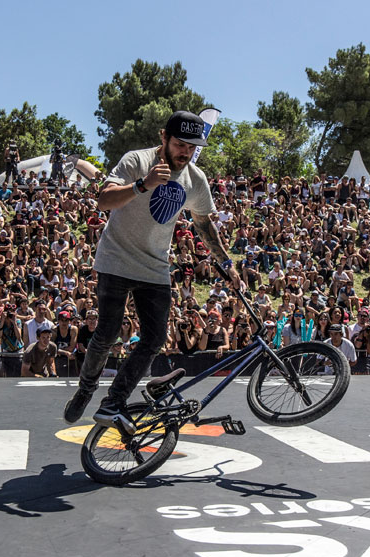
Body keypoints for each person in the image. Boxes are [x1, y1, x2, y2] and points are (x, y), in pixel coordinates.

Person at [64, 111, 240, 433]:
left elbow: (202, 224)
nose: (184, 152)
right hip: (116, 258)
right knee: (106, 333)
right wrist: (143, 185)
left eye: (191, 147)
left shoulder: (195, 179)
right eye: (178, 144)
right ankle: (86, 388)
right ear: (163, 138)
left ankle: (113, 402)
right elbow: (104, 200)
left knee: (156, 337)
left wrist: (226, 263)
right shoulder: (136, 161)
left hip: (155, 265)